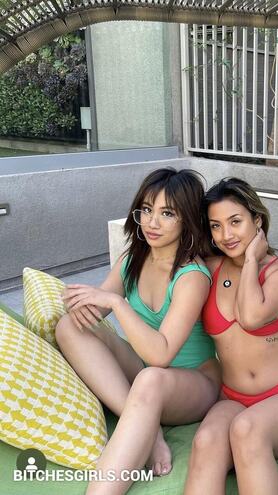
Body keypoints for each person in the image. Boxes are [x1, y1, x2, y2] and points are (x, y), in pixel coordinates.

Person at [56, 168, 221, 495]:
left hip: (193, 386)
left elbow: (161, 355)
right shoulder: (132, 258)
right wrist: (77, 301)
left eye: (167, 213)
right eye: (146, 210)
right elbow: (94, 311)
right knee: (70, 327)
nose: (152, 222)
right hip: (145, 374)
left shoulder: (191, 276)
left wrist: (117, 303)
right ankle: (151, 432)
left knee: (151, 378)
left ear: (187, 219)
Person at [184, 178, 278, 495]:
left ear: (258, 220)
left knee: (247, 430)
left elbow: (251, 316)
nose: (226, 235)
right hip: (233, 398)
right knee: (206, 441)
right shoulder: (210, 269)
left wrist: (250, 260)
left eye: (235, 221)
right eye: (216, 226)